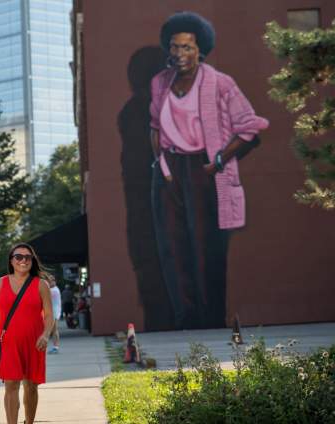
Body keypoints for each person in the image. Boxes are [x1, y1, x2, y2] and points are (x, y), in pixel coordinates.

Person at [149, 12, 268, 329]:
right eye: (174, 47)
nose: (179, 54)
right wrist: (162, 165)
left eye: (187, 48)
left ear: (200, 50)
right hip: (168, 170)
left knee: (205, 248)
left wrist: (216, 163)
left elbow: (250, 127)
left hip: (203, 167)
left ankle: (211, 319)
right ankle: (185, 319)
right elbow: (154, 127)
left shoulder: (220, 83)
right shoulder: (160, 83)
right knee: (172, 248)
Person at [0, 243, 54, 424]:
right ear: (11, 260)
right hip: (8, 342)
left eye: (27, 257)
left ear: (32, 261)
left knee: (31, 386)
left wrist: (46, 334)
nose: (23, 260)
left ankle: (29, 422)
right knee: (11, 385)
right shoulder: (1, 283)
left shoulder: (41, 285)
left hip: (34, 343)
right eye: (18, 257)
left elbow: (49, 315)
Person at [47, 274, 61, 354]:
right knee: (53, 330)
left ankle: (56, 347)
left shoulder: (53, 291)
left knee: (54, 330)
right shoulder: (53, 289)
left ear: (53, 281)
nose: (48, 283)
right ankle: (55, 346)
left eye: (49, 281)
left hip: (54, 313)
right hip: (54, 312)